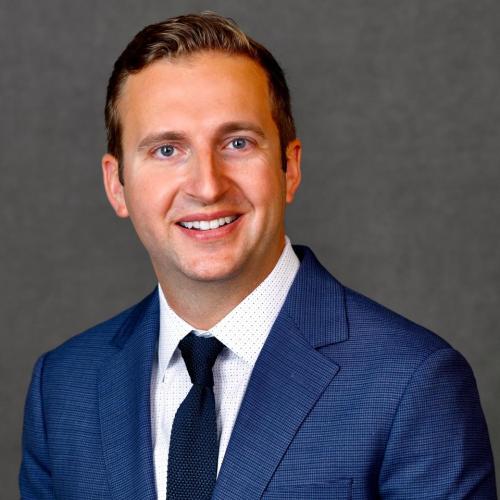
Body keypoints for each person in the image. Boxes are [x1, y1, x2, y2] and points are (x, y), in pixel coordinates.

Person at [19, 12, 496, 500]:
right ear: (116, 185)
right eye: (166, 150)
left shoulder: (411, 381)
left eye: (237, 143)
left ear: (289, 168)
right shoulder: (63, 387)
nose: (207, 186)